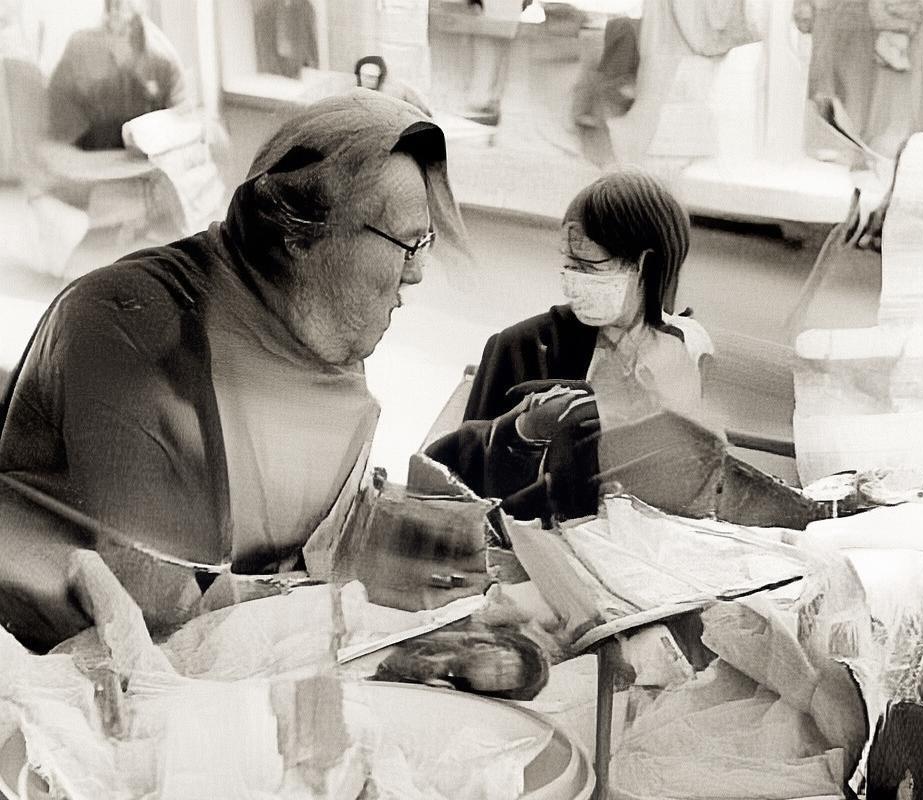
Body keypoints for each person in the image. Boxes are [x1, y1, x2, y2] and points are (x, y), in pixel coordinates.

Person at [0, 91, 468, 651]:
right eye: (406, 245)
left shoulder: (307, 337)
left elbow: (311, 541)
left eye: (425, 243)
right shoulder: (133, 328)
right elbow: (165, 616)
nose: (416, 274)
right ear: (299, 236)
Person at [426, 168, 710, 520]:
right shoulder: (520, 348)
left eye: (588, 266)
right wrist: (526, 431)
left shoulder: (686, 351)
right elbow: (461, 487)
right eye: (568, 264)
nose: (572, 280)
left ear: (644, 266)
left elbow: (690, 483)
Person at [47, 0, 187, 151]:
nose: (119, 8)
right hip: (86, 158)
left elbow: (180, 125)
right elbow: (55, 124)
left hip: (146, 159)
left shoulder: (163, 59)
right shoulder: (79, 49)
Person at [354, 54, 433, 117]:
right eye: (365, 76)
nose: (369, 80)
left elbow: (425, 113)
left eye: (373, 77)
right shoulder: (355, 95)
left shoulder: (399, 90)